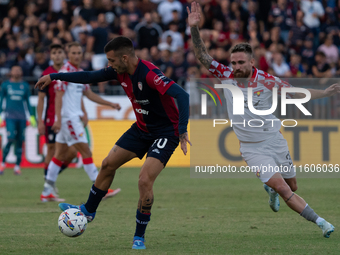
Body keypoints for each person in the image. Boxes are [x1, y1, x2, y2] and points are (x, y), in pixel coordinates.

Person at [187, 2, 337, 238]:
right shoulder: (225, 74)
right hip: (251, 148)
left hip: (274, 140)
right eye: (233, 62)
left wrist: (325, 93)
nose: (235, 67)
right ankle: (321, 223)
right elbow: (202, 55)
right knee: (283, 187)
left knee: (292, 186)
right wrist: (194, 29)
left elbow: (297, 93)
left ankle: (271, 189)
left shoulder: (267, 80)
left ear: (252, 62)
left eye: (240, 63)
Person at [35, 36, 191, 249]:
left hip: (166, 133)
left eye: (111, 61)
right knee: (108, 164)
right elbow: (89, 76)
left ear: (124, 58)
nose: (109, 65)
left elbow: (182, 95)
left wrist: (182, 131)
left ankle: (139, 236)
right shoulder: (119, 70)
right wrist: (54, 76)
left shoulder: (150, 75)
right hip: (142, 129)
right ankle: (89, 211)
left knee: (144, 180)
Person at [40, 42, 121, 202]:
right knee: (86, 152)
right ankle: (101, 189)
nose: (77, 55)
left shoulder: (80, 72)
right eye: (74, 53)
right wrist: (58, 119)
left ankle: (47, 191)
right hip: (68, 119)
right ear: (68, 55)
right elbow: (58, 97)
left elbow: (89, 94)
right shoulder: (64, 73)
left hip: (71, 118)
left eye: (79, 53)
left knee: (59, 154)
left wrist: (109, 103)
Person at [0, 66, 36, 175]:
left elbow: (28, 102)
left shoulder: (25, 86)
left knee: (20, 141)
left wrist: (32, 116)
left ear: (21, 72)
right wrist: (0, 115)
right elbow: (1, 100)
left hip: (21, 118)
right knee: (10, 139)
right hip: (10, 117)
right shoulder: (6, 85)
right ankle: (2, 164)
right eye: (14, 70)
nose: (16, 72)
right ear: (11, 72)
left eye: (19, 70)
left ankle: (17, 166)